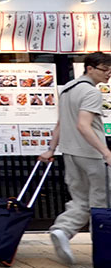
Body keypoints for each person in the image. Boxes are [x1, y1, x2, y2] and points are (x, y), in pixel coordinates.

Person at [38, 52, 111, 266]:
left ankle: (62, 230)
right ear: (89, 68)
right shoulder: (90, 92)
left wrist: (51, 150)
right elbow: (83, 125)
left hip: (70, 153)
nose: (108, 74)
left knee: (80, 199)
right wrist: (106, 152)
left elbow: (61, 124)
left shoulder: (68, 89)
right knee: (101, 204)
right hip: (92, 155)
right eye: (104, 70)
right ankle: (103, 254)